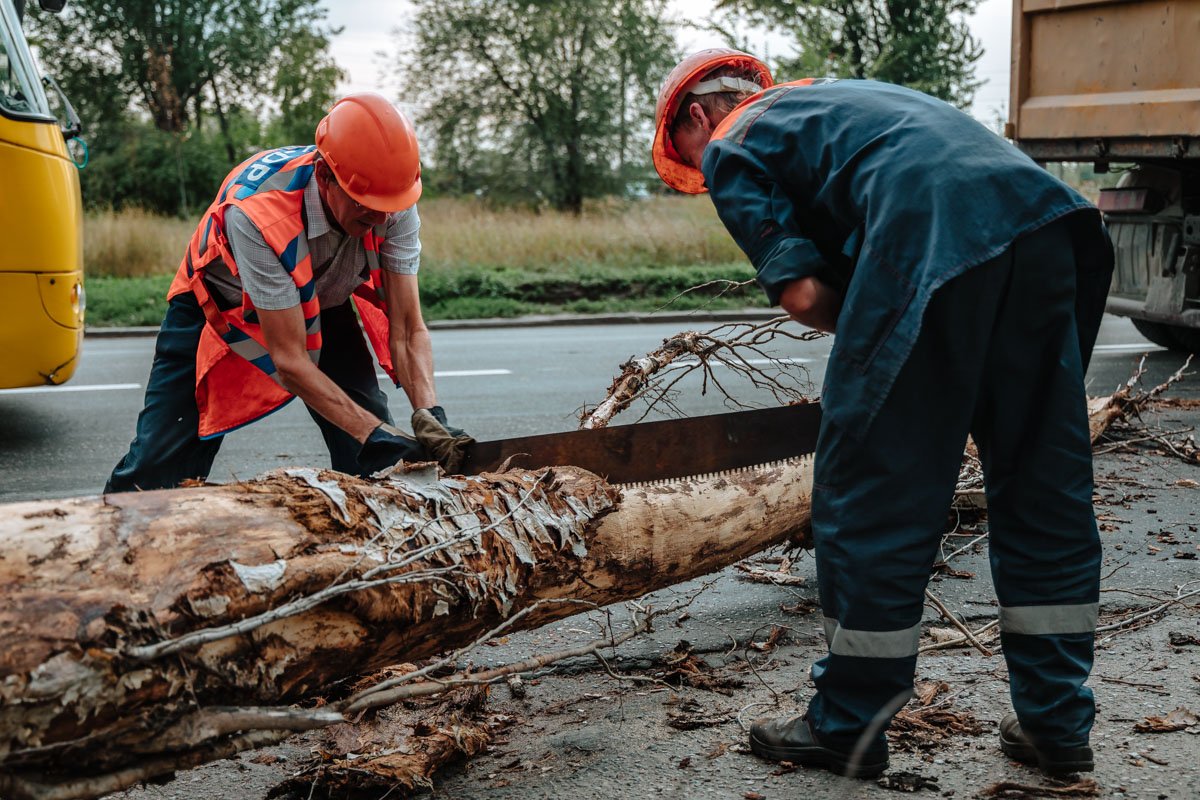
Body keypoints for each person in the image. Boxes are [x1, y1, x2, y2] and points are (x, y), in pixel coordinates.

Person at [652, 50, 1113, 779]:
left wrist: (877, 336)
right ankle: (1057, 724)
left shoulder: (736, 138)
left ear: (698, 116)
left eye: (687, 156)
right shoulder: (834, 101)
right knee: (1041, 488)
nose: (701, 173)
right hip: (1047, 225)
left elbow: (803, 295)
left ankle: (848, 727)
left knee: (870, 491)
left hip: (935, 236)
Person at [106, 93, 470, 493]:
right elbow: (291, 360)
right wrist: (373, 433)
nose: (380, 219)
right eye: (365, 205)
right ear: (324, 176)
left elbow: (405, 326)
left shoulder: (391, 197)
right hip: (220, 312)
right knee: (157, 471)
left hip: (322, 303)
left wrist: (429, 412)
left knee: (371, 460)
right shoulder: (256, 215)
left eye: (388, 207)